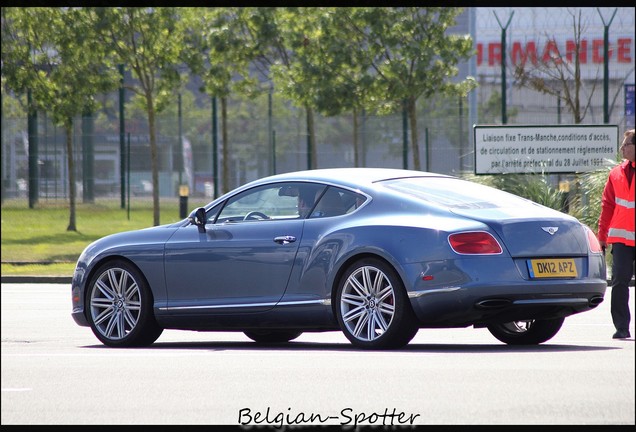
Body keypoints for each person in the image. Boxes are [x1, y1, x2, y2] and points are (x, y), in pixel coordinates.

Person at [598, 128, 635, 340]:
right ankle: (621, 327)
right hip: (621, 238)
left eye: (627, 144)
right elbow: (607, 206)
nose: (622, 148)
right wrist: (601, 236)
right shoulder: (616, 174)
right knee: (619, 282)